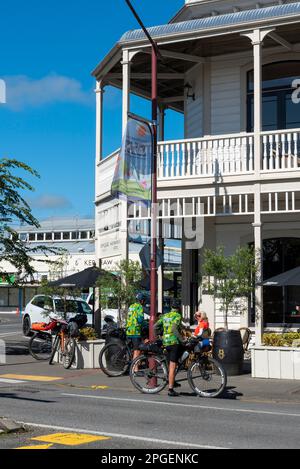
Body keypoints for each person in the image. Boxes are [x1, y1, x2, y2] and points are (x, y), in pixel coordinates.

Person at [154, 302, 184, 397]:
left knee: (171, 364)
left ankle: (172, 380)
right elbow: (174, 329)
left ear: (171, 307)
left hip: (166, 342)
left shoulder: (165, 316)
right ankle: (170, 389)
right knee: (172, 366)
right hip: (174, 342)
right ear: (178, 308)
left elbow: (155, 326)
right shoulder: (177, 316)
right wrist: (182, 340)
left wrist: (159, 336)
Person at [126, 293, 146, 363]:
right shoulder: (139, 307)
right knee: (137, 350)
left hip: (128, 330)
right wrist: (146, 323)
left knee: (134, 349)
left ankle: (133, 366)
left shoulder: (131, 306)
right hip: (135, 331)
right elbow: (140, 320)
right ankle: (135, 369)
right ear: (142, 301)